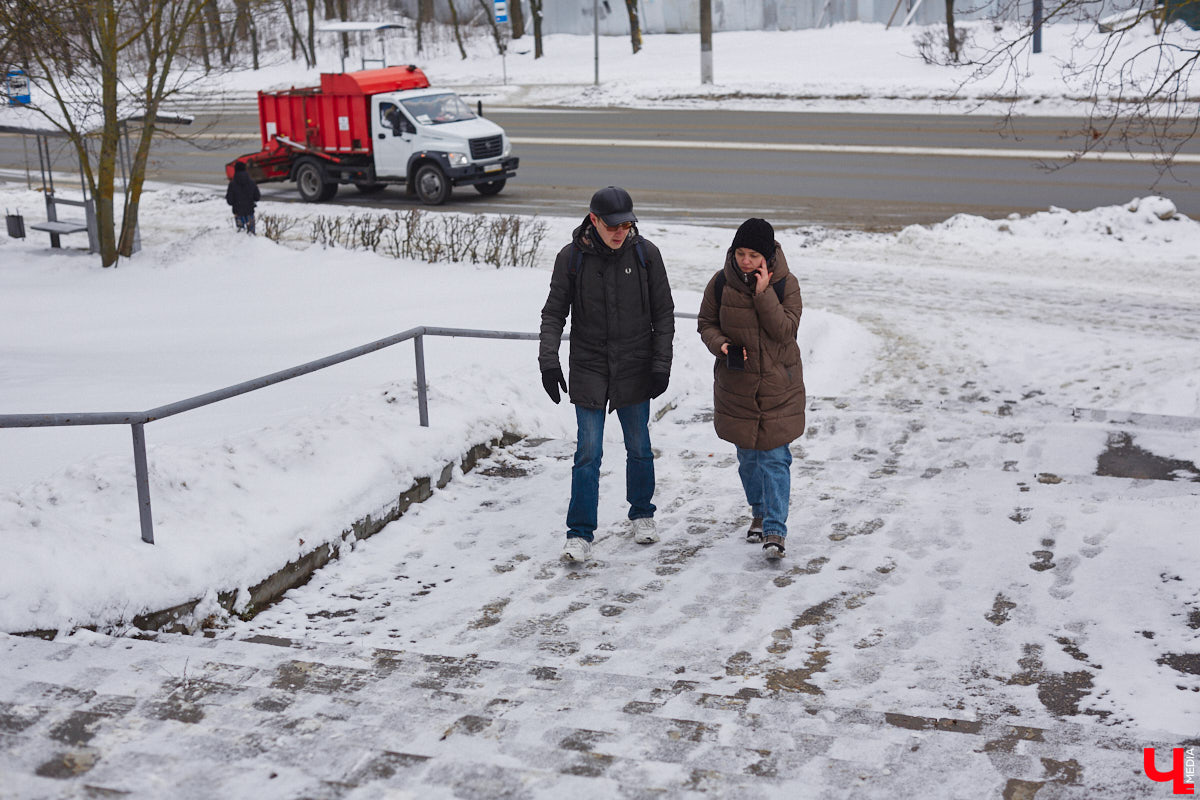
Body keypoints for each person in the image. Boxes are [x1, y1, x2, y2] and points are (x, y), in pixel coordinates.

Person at [539, 186, 675, 563]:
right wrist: (547, 360)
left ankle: (642, 513)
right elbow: (553, 313)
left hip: (634, 362)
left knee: (639, 445)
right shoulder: (571, 259)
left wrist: (661, 365)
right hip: (590, 364)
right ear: (593, 220)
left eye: (627, 224)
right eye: (613, 225)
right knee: (588, 451)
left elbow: (664, 315)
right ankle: (580, 533)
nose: (620, 232)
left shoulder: (647, 255)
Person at [697, 218, 806, 560]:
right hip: (737, 386)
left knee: (775, 458)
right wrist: (722, 346)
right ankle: (758, 511)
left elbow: (786, 331)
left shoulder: (785, 286)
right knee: (747, 459)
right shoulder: (719, 284)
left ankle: (775, 530)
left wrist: (762, 296)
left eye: (753, 254)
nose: (745, 261)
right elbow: (706, 324)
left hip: (778, 386)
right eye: (741, 253)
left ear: (768, 256)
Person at [225, 161, 261, 234]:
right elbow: (257, 197)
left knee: (241, 235)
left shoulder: (232, 184)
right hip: (250, 212)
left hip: (238, 212)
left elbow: (230, 201)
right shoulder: (251, 182)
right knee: (251, 235)